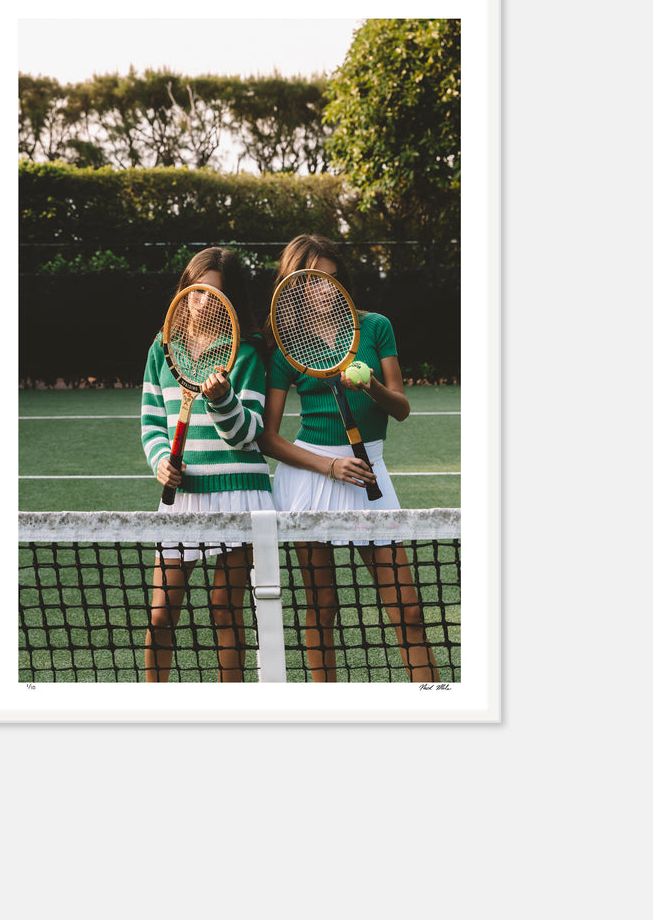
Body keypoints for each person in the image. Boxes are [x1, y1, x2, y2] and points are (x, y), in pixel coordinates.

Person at [257, 234, 439, 682]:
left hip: (370, 473)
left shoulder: (375, 326)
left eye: (332, 279)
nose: (325, 289)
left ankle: (439, 704)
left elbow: (401, 408)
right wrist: (330, 466)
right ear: (295, 286)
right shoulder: (284, 346)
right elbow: (268, 438)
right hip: (310, 479)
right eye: (314, 281)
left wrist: (372, 386)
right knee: (322, 608)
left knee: (408, 608)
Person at [140, 247, 272, 682]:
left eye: (216, 294)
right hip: (182, 501)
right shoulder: (161, 350)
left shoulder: (248, 352)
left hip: (239, 492)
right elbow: (153, 423)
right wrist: (161, 462)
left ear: (231, 300)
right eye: (197, 291)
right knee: (160, 615)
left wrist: (221, 400)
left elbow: (246, 433)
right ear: (185, 291)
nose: (204, 301)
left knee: (224, 609)